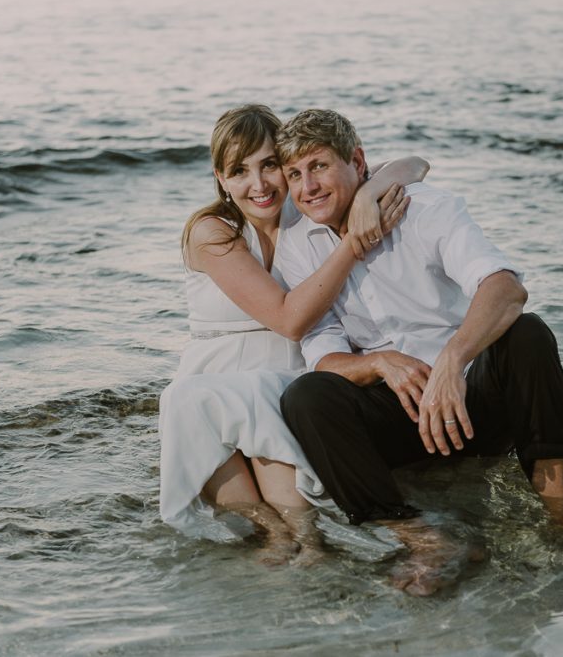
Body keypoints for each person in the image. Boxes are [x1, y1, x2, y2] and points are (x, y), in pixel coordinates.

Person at [274, 109, 563, 593]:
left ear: (357, 161)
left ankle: (562, 517)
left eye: (318, 166)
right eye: (294, 174)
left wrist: (454, 361)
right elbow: (322, 352)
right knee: (308, 396)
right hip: (400, 413)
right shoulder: (296, 244)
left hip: (469, 401)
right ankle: (421, 537)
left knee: (527, 334)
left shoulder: (423, 208)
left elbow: (504, 288)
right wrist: (377, 361)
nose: (307, 186)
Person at [158, 104, 428, 565]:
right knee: (193, 400)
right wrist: (354, 242)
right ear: (220, 178)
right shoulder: (211, 232)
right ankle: (274, 533)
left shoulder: (303, 215)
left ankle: (309, 538)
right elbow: (288, 318)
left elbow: (416, 166)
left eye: (268, 166)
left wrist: (369, 194)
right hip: (218, 368)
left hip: (288, 366)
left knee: (259, 397)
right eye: (239, 171)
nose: (258, 185)